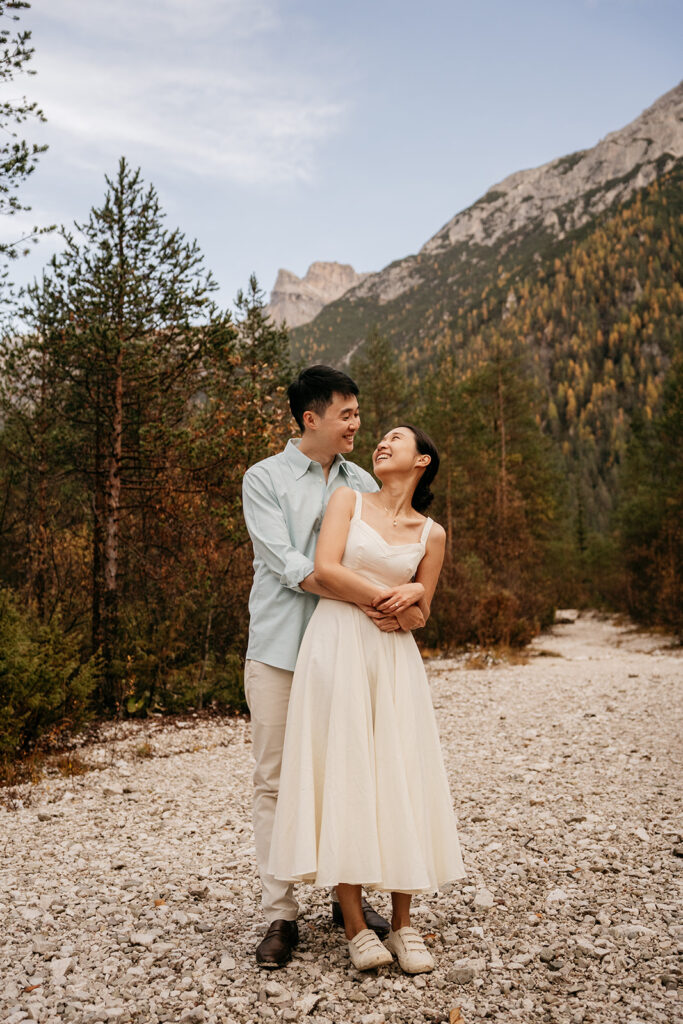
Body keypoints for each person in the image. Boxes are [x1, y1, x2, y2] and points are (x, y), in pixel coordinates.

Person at [242, 366, 424, 970]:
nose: (356, 424)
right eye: (346, 414)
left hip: (349, 652)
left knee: (352, 769)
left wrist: (413, 594)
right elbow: (292, 566)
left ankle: (348, 894)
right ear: (310, 418)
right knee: (275, 779)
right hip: (280, 650)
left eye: (357, 413)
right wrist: (375, 598)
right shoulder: (263, 479)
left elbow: (389, 556)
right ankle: (281, 912)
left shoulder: (364, 481)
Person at [268, 424, 466, 974]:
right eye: (380, 438)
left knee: (399, 773)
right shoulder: (347, 500)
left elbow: (422, 616)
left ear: (422, 460)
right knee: (347, 770)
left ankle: (403, 924)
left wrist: (417, 595)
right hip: (336, 642)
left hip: (393, 656)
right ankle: (355, 926)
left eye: (396, 439)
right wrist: (392, 594)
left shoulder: (432, 534)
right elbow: (327, 569)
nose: (382, 443)